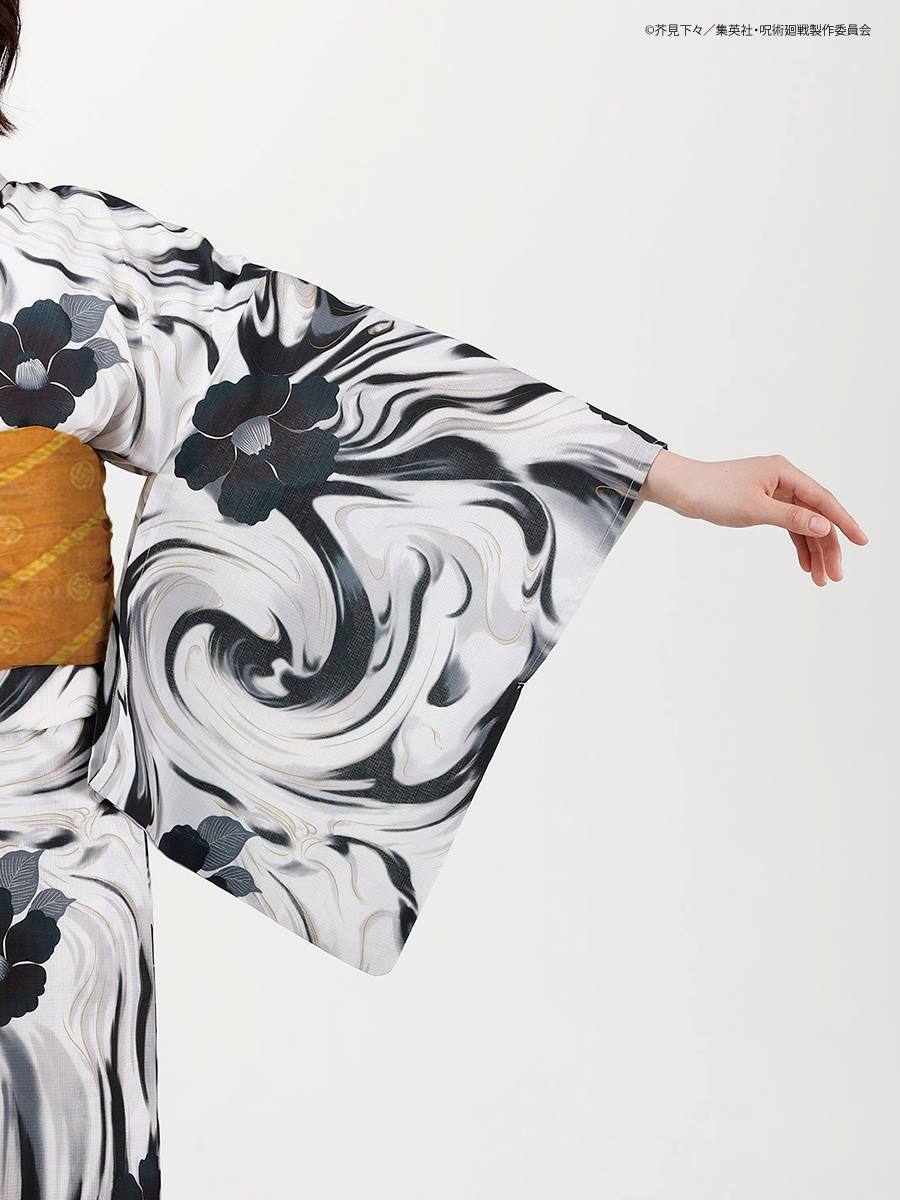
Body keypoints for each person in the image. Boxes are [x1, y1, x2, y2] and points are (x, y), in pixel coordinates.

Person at [0, 3, 867, 1197]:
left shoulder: (62, 255)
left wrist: (659, 472)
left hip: (34, 817)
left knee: (46, 1129)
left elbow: (313, 378)